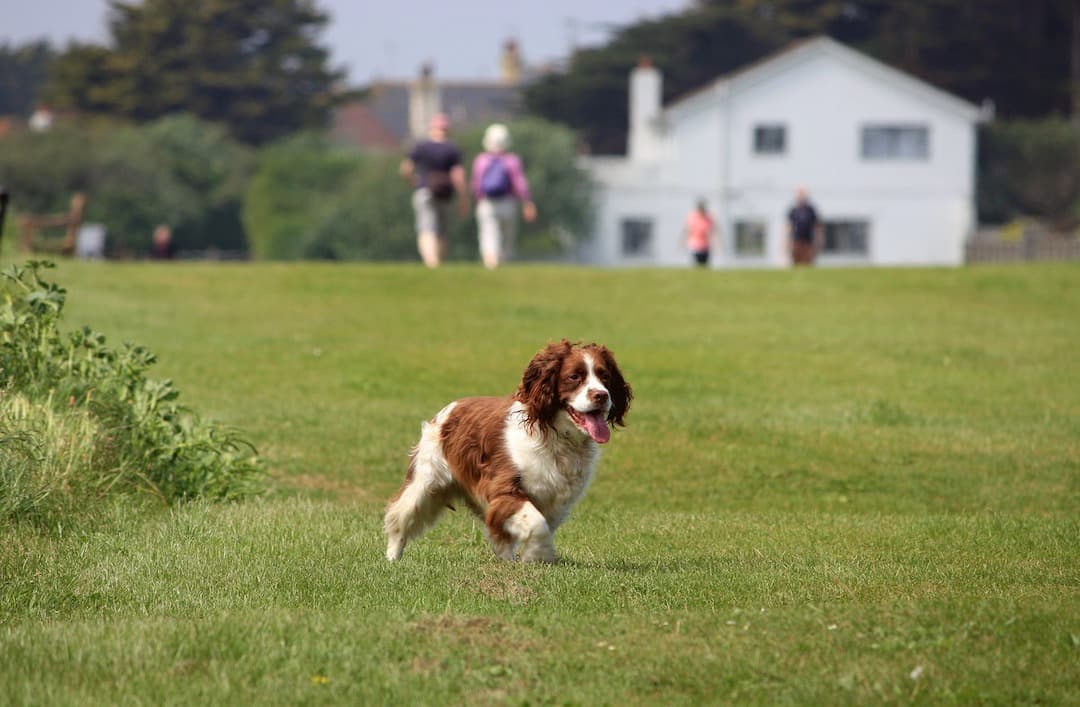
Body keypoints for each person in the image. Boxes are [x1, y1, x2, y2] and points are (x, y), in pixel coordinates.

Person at [400, 113, 469, 267]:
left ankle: (431, 262)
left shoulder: (421, 147)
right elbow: (458, 176)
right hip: (444, 194)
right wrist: (463, 198)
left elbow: (405, 169)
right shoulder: (452, 149)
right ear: (447, 130)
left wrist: (414, 182)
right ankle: (438, 262)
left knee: (426, 228)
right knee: (441, 231)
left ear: (432, 129)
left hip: (424, 190)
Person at [470, 123, 536, 269]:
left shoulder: (481, 160)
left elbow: (476, 184)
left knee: (488, 233)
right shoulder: (512, 160)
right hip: (507, 202)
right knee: (507, 236)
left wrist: (475, 200)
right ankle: (505, 261)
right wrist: (527, 202)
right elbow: (520, 183)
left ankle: (491, 263)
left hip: (486, 202)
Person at [786, 186, 823, 266]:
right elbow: (789, 226)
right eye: (800, 194)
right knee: (795, 261)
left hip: (808, 241)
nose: (801, 196)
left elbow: (817, 226)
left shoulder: (811, 210)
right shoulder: (793, 210)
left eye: (803, 194)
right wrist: (786, 241)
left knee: (808, 261)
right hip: (796, 240)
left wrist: (819, 239)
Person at [684, 199, 716, 267]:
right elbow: (688, 231)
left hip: (705, 245)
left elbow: (713, 230)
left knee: (704, 265)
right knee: (697, 265)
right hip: (695, 245)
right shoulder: (692, 217)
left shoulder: (708, 218)